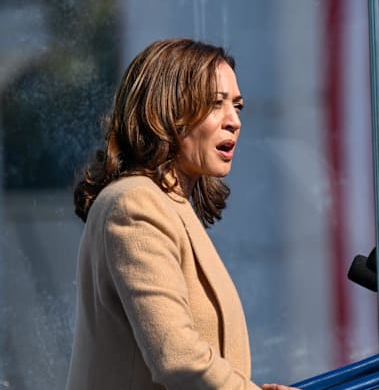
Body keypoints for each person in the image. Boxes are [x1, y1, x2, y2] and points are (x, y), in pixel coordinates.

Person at [67, 38, 299, 390]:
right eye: (215, 104)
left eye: (237, 106)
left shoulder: (168, 205)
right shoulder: (134, 206)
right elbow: (177, 358)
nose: (234, 121)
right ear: (166, 111)